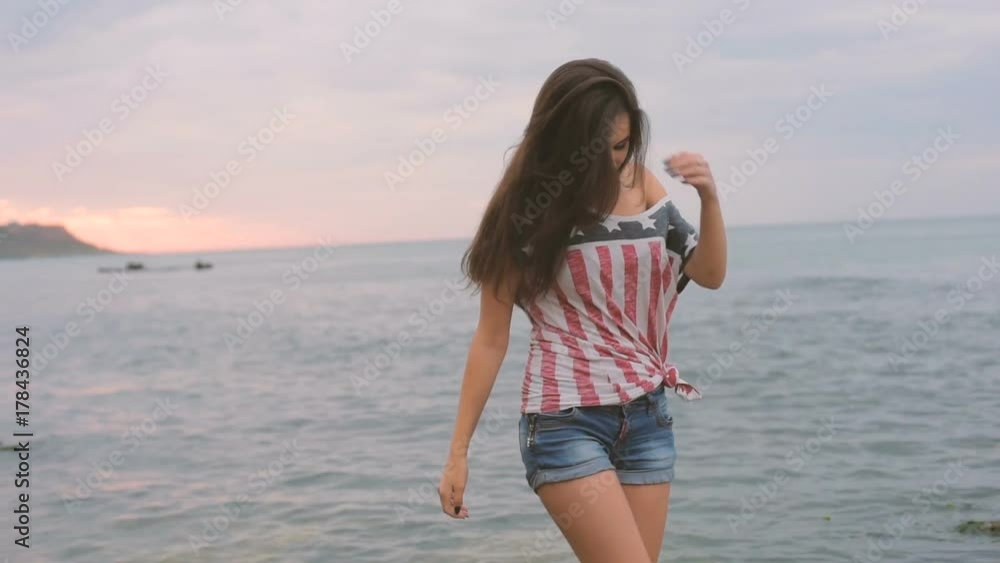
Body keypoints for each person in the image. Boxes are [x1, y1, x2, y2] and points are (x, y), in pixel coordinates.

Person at [437, 58, 727, 563]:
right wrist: (458, 454)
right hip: (564, 420)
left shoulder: (643, 186)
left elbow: (709, 274)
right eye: (609, 148)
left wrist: (709, 198)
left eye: (627, 144)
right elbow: (490, 338)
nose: (621, 159)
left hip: (647, 417)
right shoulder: (527, 209)